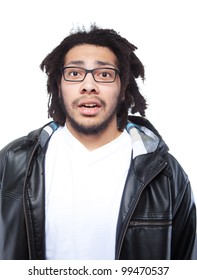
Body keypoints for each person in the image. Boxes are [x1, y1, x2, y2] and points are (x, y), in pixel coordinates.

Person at [0, 24, 196, 260]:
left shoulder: (165, 174)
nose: (89, 85)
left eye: (104, 74)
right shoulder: (14, 161)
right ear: (58, 87)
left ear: (122, 88)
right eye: (74, 73)